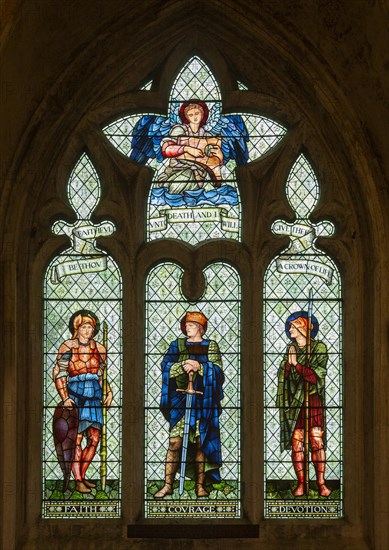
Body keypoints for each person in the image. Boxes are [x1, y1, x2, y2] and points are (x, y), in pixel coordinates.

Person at [155, 311, 224, 498]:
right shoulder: (176, 345)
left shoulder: (211, 346)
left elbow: (218, 372)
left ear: (200, 327)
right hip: (181, 400)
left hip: (203, 401)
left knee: (201, 443)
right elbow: (166, 367)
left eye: (191, 325)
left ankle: (200, 486)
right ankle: (168, 484)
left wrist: (200, 367)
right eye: (186, 325)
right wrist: (183, 365)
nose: (187, 328)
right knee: (174, 442)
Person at [52, 310, 113, 493]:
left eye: (91, 327)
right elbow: (59, 374)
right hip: (75, 395)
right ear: (76, 328)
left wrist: (108, 393)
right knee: (76, 439)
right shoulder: (68, 347)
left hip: (94, 396)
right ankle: (78, 480)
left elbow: (102, 376)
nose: (88, 331)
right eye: (84, 327)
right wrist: (65, 398)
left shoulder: (99, 349)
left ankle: (82, 475)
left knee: (94, 439)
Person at [276, 312, 332, 497]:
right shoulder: (290, 348)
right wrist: (289, 365)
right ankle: (301, 483)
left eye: (293, 326)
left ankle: (321, 483)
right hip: (295, 402)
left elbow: (317, 376)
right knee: (297, 443)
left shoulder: (319, 348)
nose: (289, 329)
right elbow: (284, 376)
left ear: (302, 327)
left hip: (312, 400)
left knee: (316, 441)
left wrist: (297, 365)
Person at [158, 100, 224, 193]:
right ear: (186, 117)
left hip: (199, 176)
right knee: (176, 188)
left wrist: (219, 156)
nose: (195, 117)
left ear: (202, 114)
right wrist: (187, 149)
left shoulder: (207, 135)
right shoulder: (179, 130)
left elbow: (214, 162)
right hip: (176, 171)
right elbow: (167, 149)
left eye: (197, 113)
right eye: (191, 115)